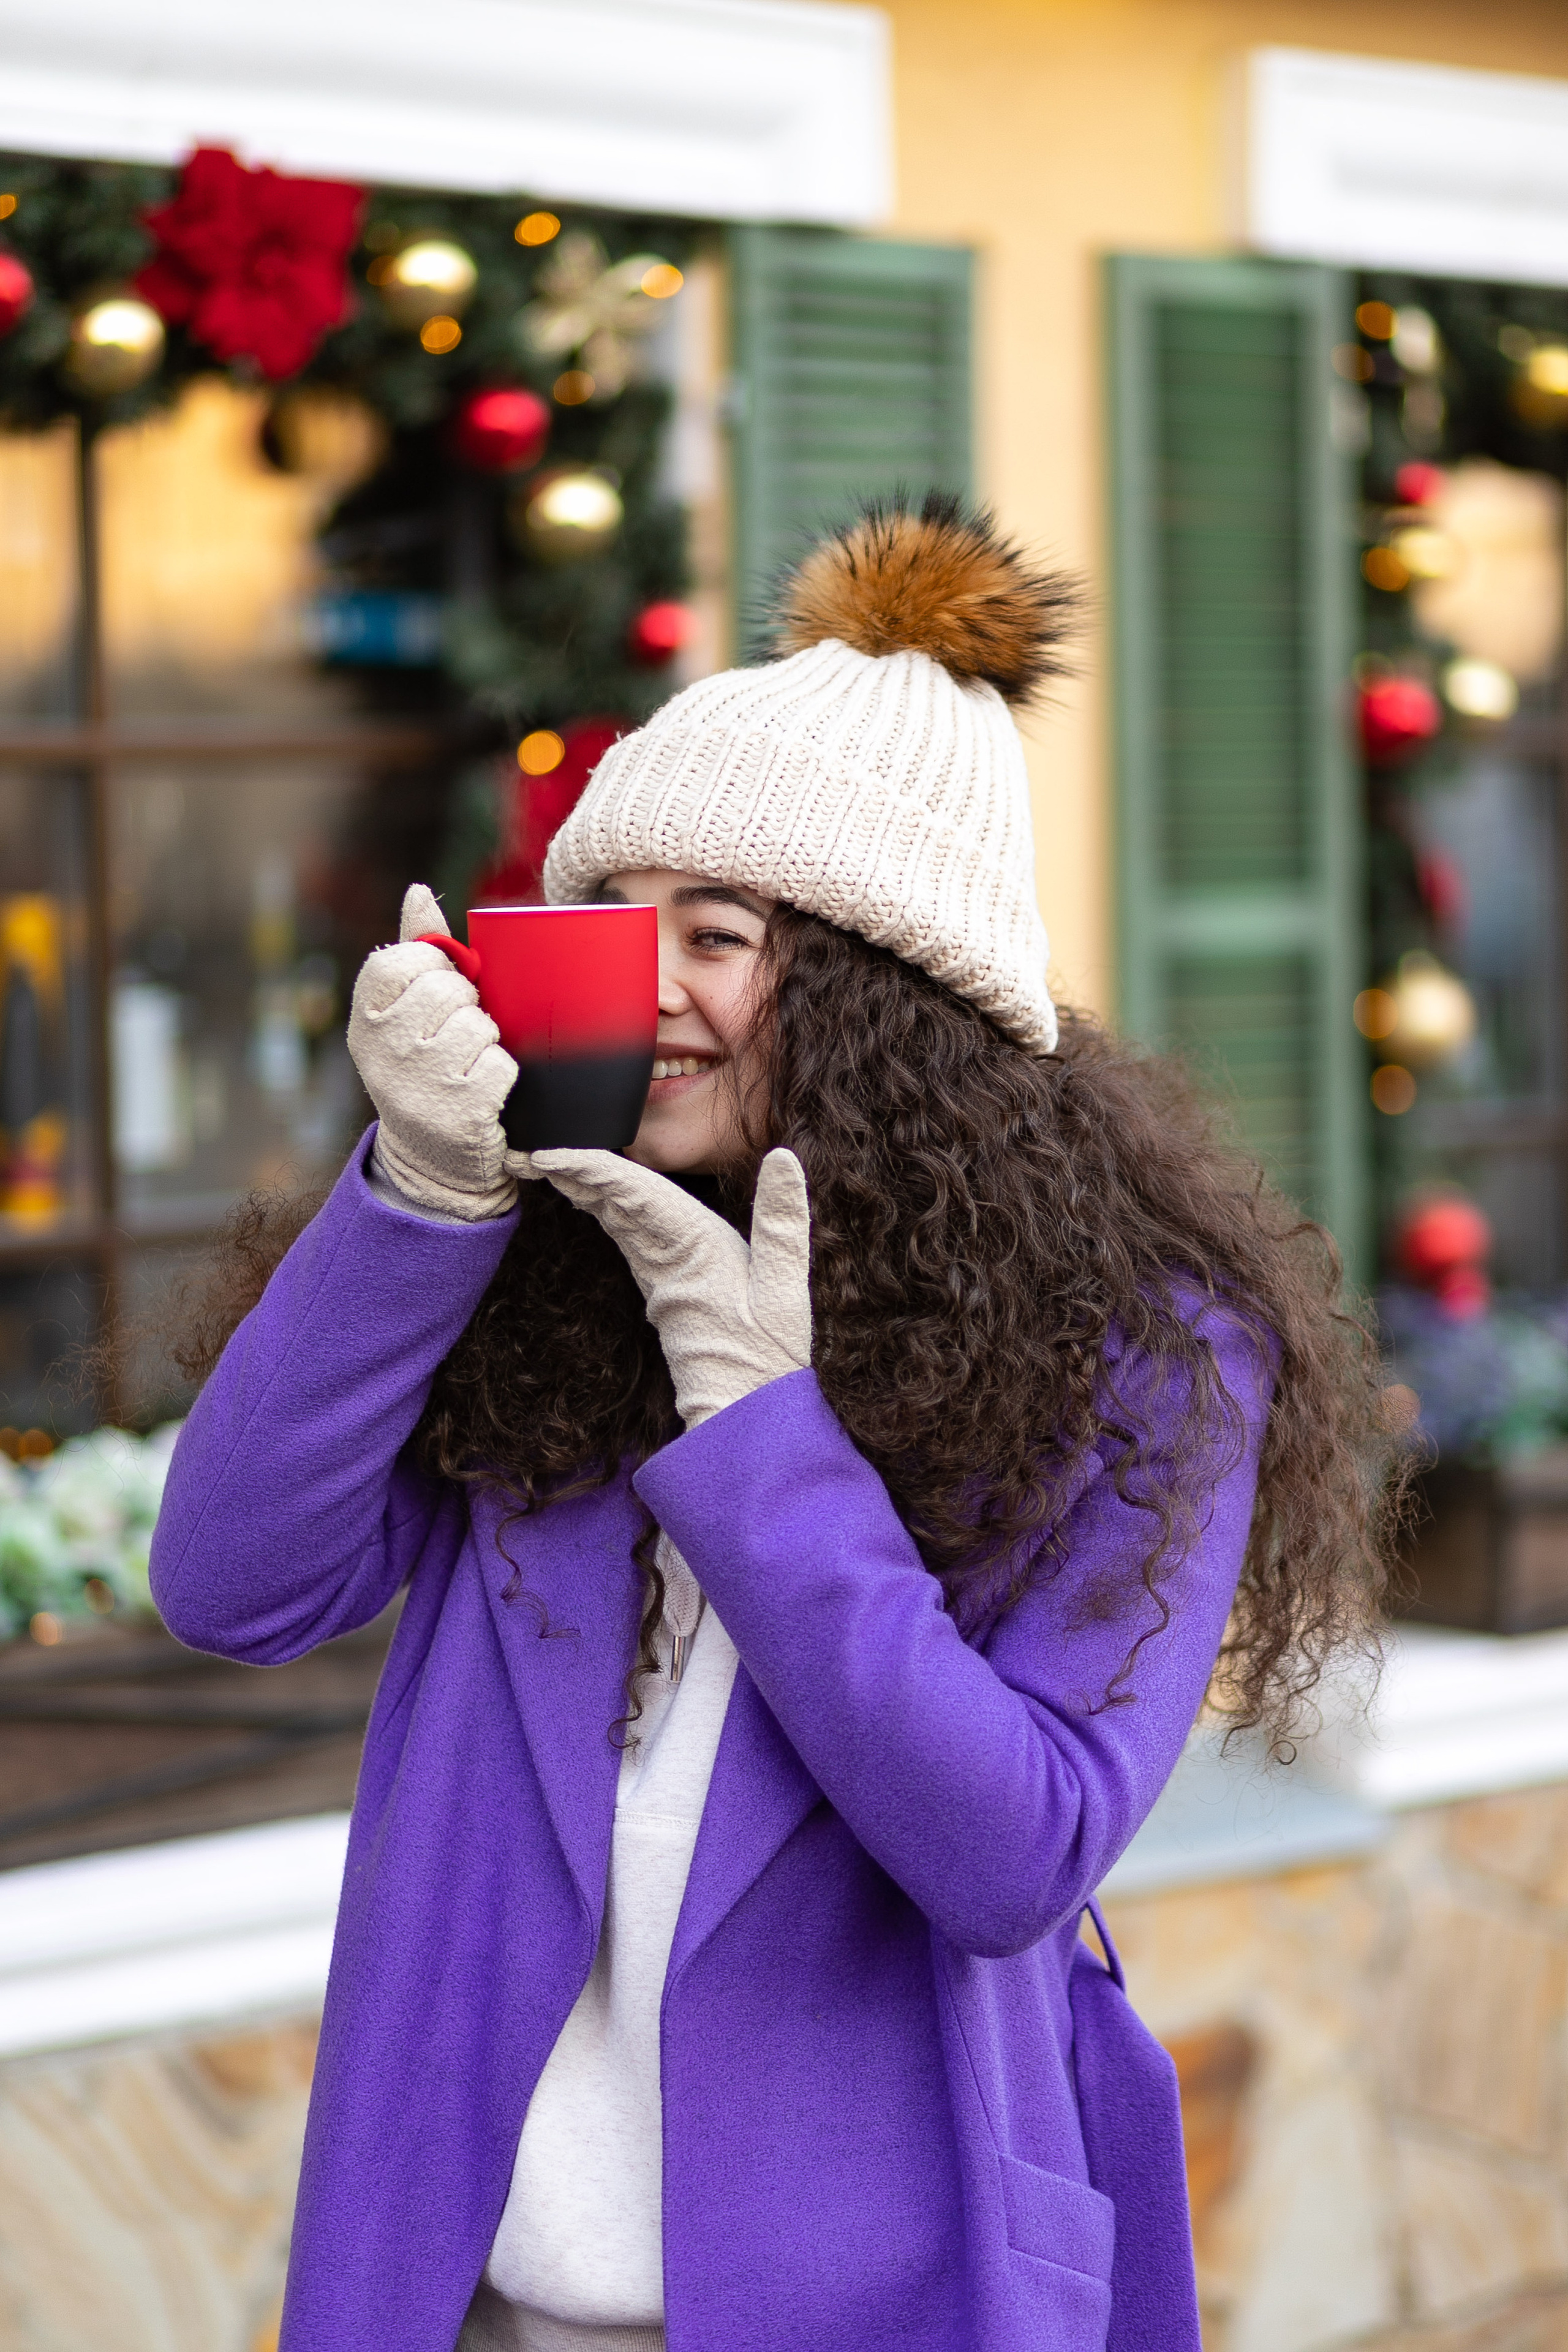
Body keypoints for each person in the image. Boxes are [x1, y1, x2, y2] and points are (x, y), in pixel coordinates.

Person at [152, 496, 1396, 2352]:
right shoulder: (524, 1271)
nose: (642, 984)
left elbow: (1012, 1852)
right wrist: (419, 1190)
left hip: (881, 2299)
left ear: (891, 1007)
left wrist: (761, 1429)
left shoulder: (1149, 1354)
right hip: (464, 2291)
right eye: (609, 921)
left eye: (719, 933)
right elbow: (230, 1582)